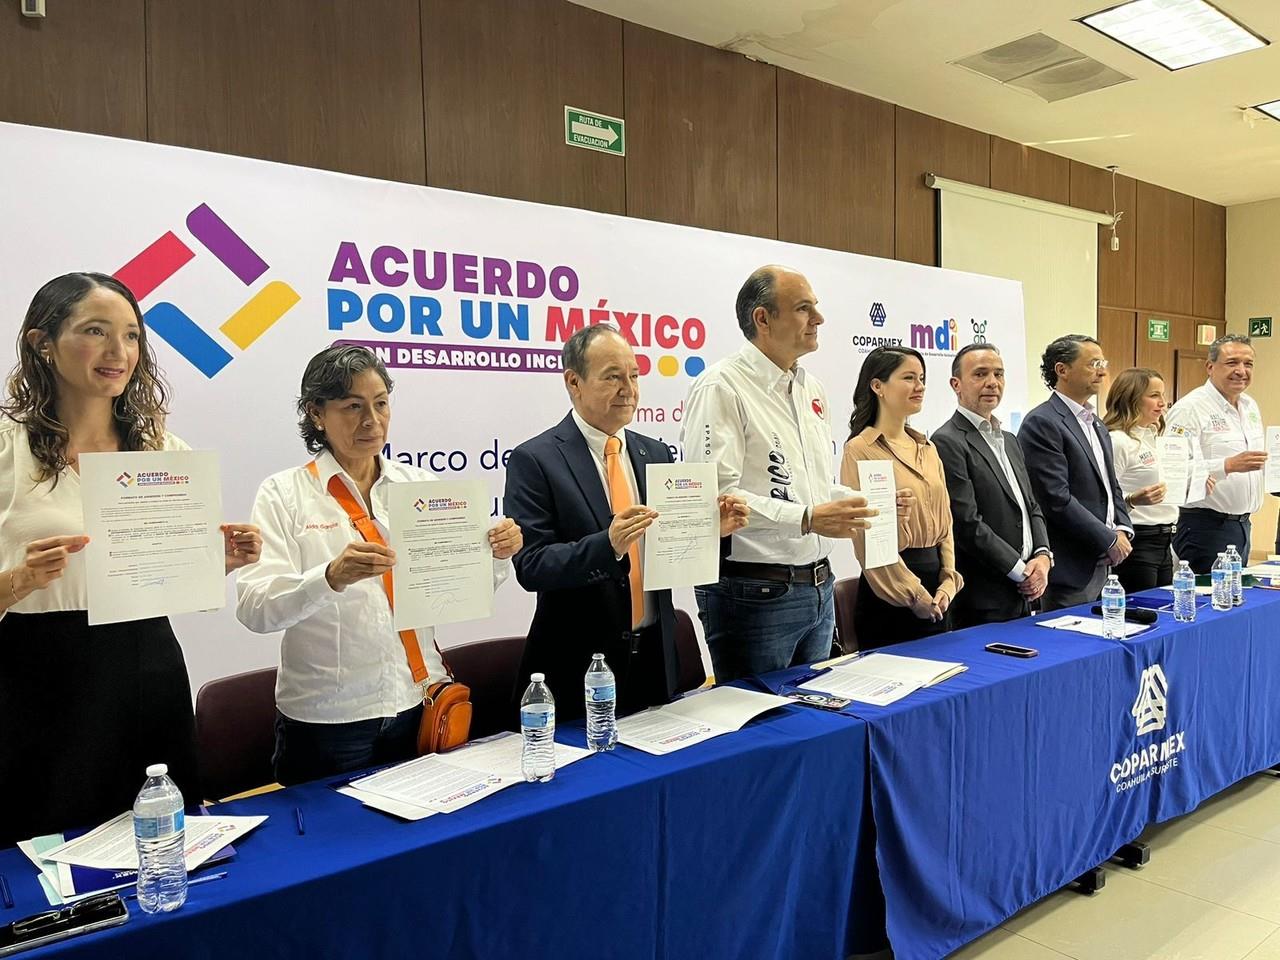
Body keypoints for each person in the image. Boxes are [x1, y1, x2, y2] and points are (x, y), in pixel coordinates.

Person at [0, 272, 262, 845]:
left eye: (131, 336)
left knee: (165, 843)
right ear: (42, 343)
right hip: (35, 675)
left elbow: (166, 578)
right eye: (96, 331)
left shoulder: (164, 451)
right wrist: (18, 580)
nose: (119, 353)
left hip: (147, 663)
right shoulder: (4, 447)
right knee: (44, 854)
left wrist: (214, 560)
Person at [236, 345, 523, 785]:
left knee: (421, 842)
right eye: (353, 406)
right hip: (330, 721)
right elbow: (256, 608)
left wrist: (496, 555)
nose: (372, 420)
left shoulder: (419, 487)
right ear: (317, 413)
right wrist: (328, 577)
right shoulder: (283, 494)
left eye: (381, 403)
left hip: (417, 702)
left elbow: (455, 588)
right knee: (337, 850)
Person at [504, 325, 748, 719]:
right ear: (574, 382)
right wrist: (609, 544)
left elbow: (669, 551)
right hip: (580, 666)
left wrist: (710, 532)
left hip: (656, 658)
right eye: (613, 376)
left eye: (634, 376)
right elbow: (532, 566)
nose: (629, 389)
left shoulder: (653, 452)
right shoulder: (536, 460)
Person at [682, 265, 885, 681]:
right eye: (803, 308)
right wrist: (808, 518)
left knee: (812, 722)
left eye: (816, 308)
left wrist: (859, 502)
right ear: (763, 318)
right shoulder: (722, 387)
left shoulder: (810, 387)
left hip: (818, 586)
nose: (819, 319)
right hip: (754, 593)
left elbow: (804, 485)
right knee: (760, 726)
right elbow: (717, 497)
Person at [840, 345, 961, 645]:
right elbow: (868, 541)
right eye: (909, 378)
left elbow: (946, 525)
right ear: (878, 386)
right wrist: (913, 595)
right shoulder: (860, 449)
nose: (919, 386)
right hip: (891, 594)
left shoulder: (928, 449)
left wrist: (948, 581)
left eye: (921, 378)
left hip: (938, 593)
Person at [931, 343, 1051, 628]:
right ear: (956, 384)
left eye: (999, 374)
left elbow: (1030, 505)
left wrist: (1043, 557)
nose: (992, 383)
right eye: (981, 374)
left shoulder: (1009, 439)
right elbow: (967, 523)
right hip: (983, 597)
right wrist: (1022, 571)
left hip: (1026, 590)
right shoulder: (947, 440)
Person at [1018, 335, 1133, 611]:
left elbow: (1110, 485)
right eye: (1093, 363)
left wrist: (1122, 529)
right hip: (1069, 568)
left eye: (1103, 363)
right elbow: (1056, 498)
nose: (1103, 371)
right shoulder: (1043, 422)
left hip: (1103, 563)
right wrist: (1107, 540)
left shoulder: (1095, 422)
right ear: (1062, 370)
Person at [1165, 335, 1266, 571]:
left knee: (1234, 602)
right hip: (1204, 526)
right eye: (1232, 363)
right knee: (1207, 602)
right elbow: (1174, 468)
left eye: (1248, 364)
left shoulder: (1250, 406)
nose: (1241, 371)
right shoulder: (1190, 408)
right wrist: (1227, 465)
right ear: (1210, 367)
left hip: (1242, 525)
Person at [1103, 368, 1183, 591]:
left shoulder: (1154, 438)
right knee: (1140, 612)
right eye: (1154, 395)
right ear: (1131, 397)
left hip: (1166, 539)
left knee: (1163, 613)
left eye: (1163, 395)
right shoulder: (1118, 441)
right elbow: (1105, 498)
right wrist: (1132, 500)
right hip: (1138, 540)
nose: (1163, 403)